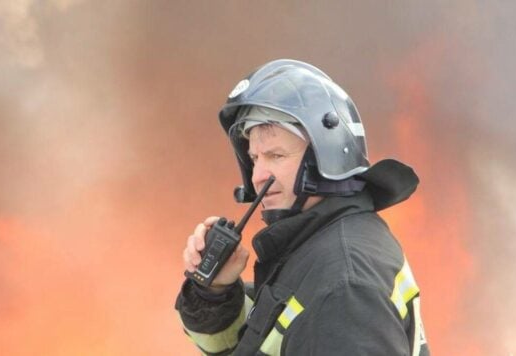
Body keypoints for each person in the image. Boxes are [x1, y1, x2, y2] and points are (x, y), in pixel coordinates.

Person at [175, 59, 430, 355]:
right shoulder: (314, 249)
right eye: (255, 158)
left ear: (326, 157)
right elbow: (251, 341)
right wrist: (215, 293)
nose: (258, 176)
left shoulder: (344, 289)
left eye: (276, 155)